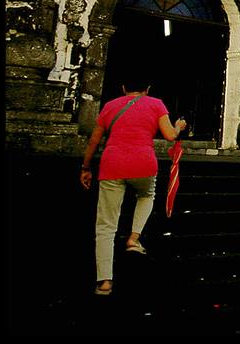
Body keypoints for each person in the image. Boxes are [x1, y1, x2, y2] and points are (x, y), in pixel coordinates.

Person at [79, 82, 186, 296]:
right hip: (143, 163)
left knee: (105, 225)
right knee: (147, 195)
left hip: (112, 164)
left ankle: (104, 282)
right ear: (148, 88)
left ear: (123, 87)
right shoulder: (156, 104)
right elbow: (170, 136)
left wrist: (86, 167)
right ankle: (133, 238)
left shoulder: (110, 106)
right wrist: (179, 126)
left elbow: (93, 141)